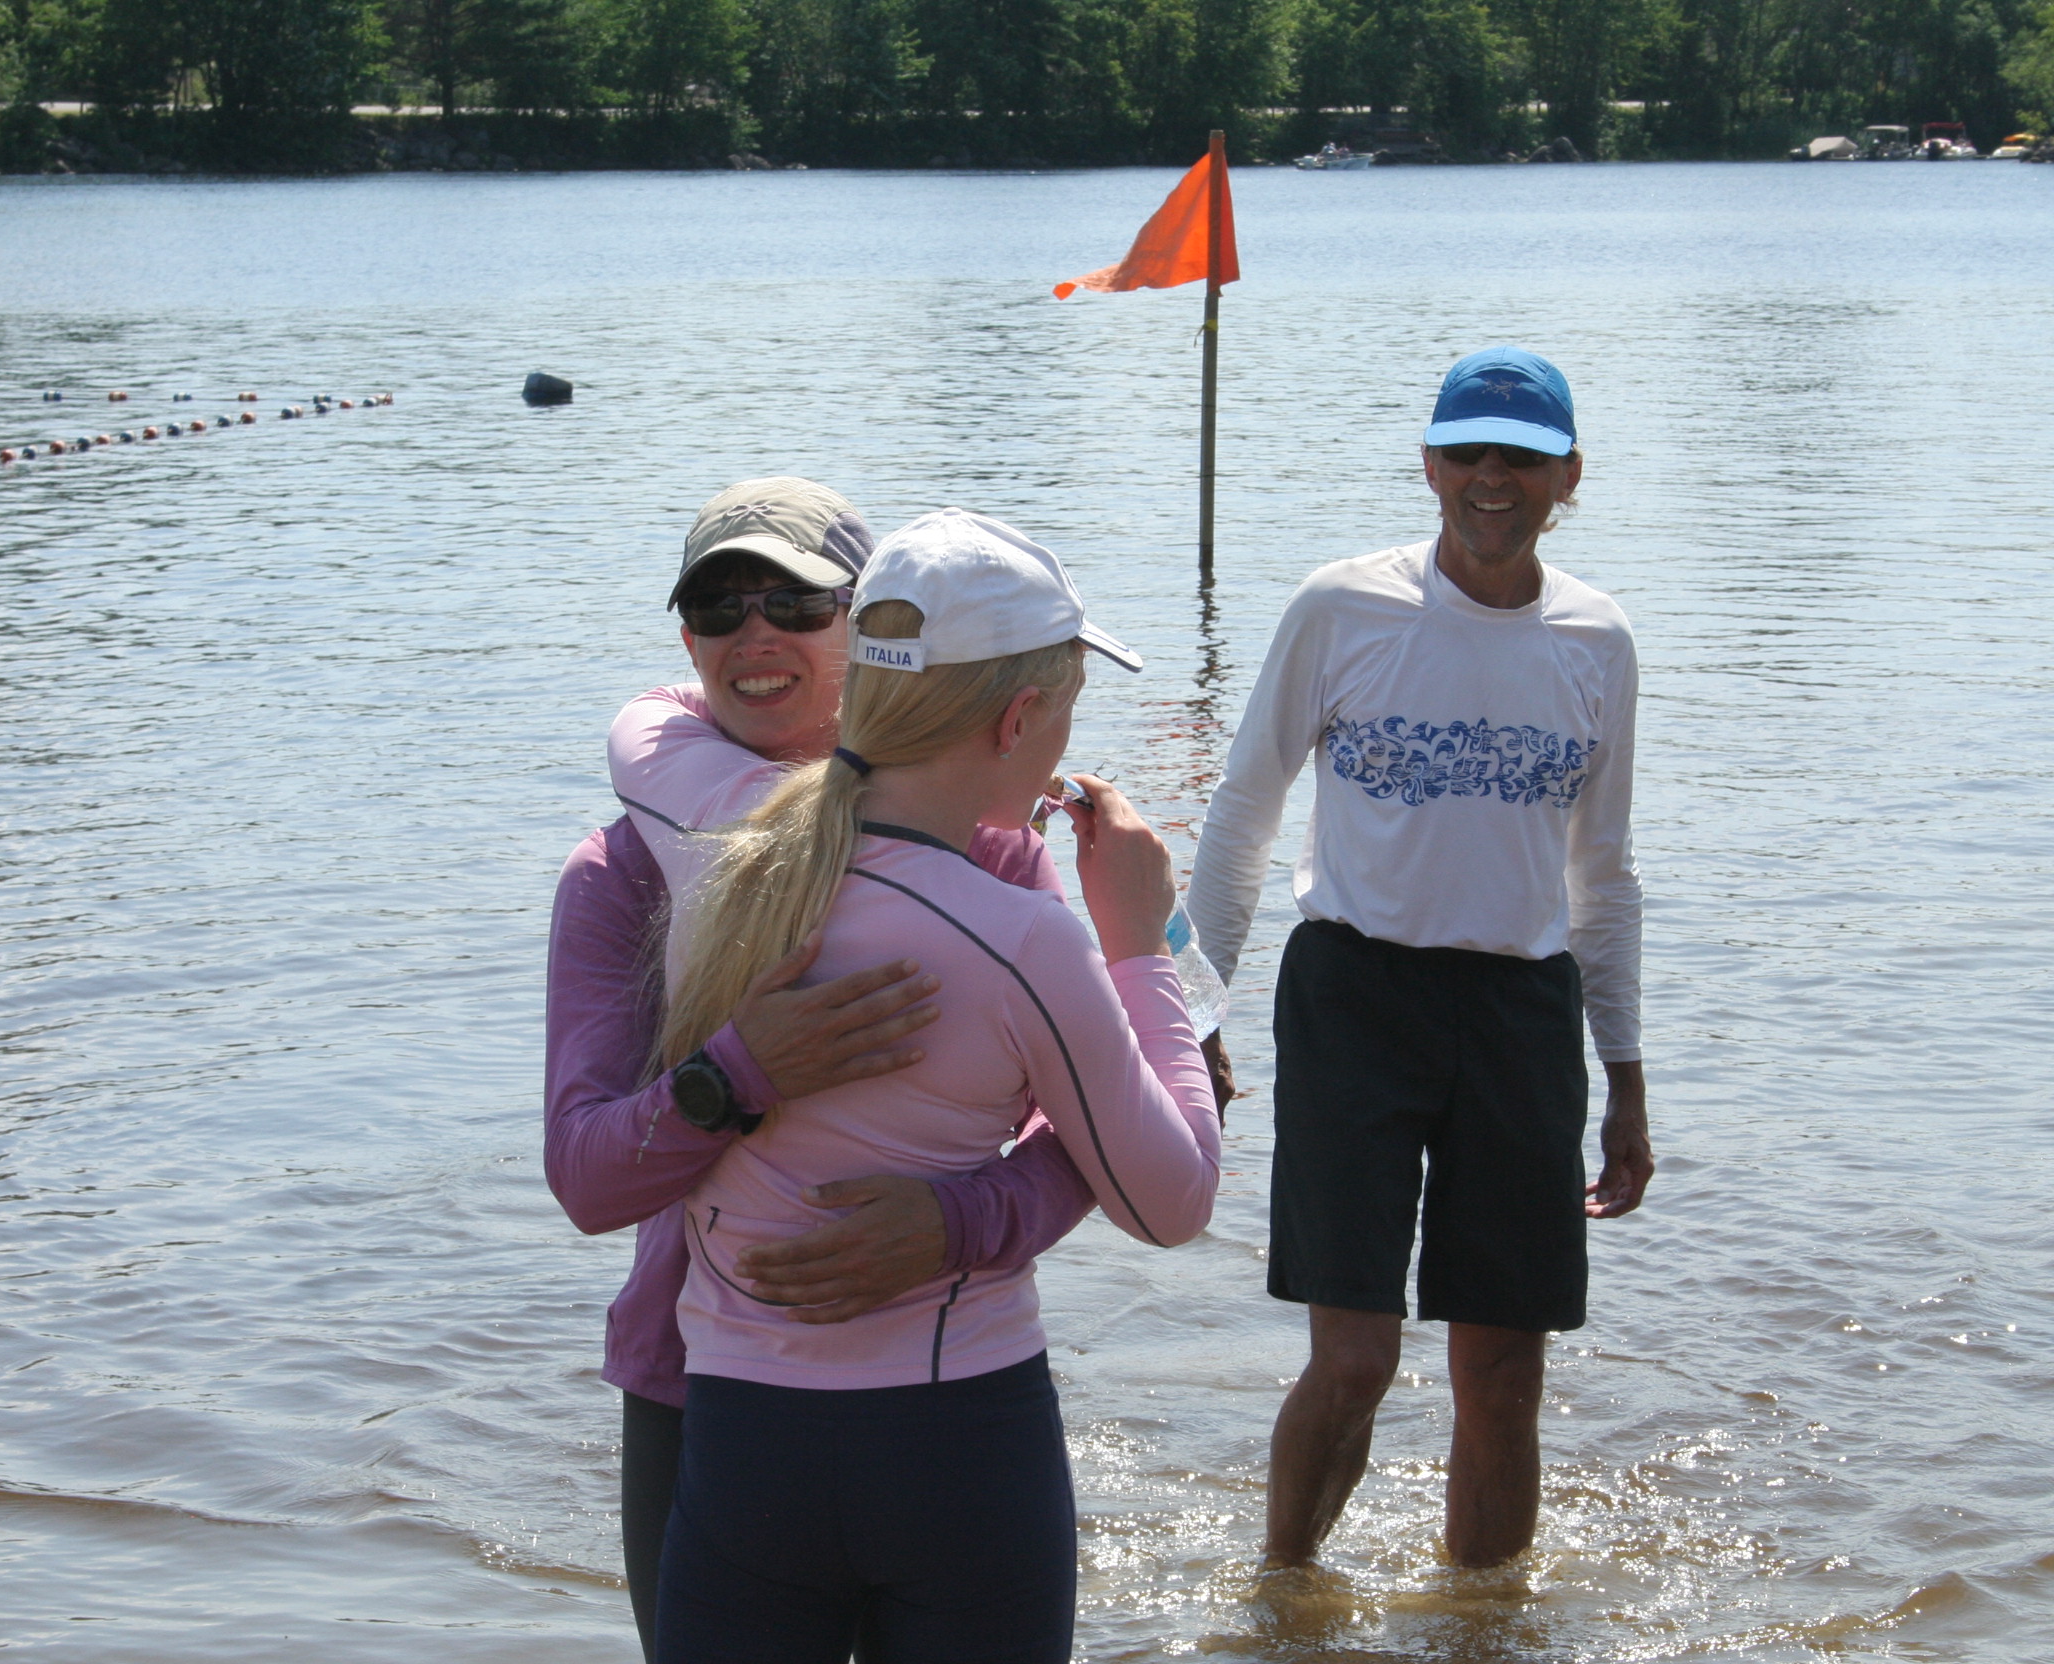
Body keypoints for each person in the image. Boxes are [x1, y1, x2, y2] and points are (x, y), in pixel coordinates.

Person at [649, 508, 1222, 1664]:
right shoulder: (1023, 936)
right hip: (956, 1441)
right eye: (1064, 710)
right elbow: (1173, 1199)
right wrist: (1143, 943)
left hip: (741, 1444)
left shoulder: (721, 875)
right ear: (1020, 719)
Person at [543, 478, 1097, 1659]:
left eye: (795, 601)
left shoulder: (998, 847)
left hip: (946, 1391)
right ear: (686, 640)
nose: (755, 635)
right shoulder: (617, 872)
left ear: (873, 626)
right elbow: (587, 1177)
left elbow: (1105, 1135)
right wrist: (738, 1072)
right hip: (697, 1385)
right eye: (718, 604)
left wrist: (966, 1219)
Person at [1184, 346, 1656, 1574]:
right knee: (1355, 1356)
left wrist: (1627, 1072)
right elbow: (1243, 810)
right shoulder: (1342, 607)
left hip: (1521, 1009)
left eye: (1524, 457)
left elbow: (1604, 872)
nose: (1492, 479)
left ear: (1570, 478)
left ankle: (1482, 1625)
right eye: (1469, 453)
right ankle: (1281, 1600)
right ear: (1430, 465)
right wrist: (1195, 1007)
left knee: (1502, 1372)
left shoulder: (1598, 640)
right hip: (1357, 991)